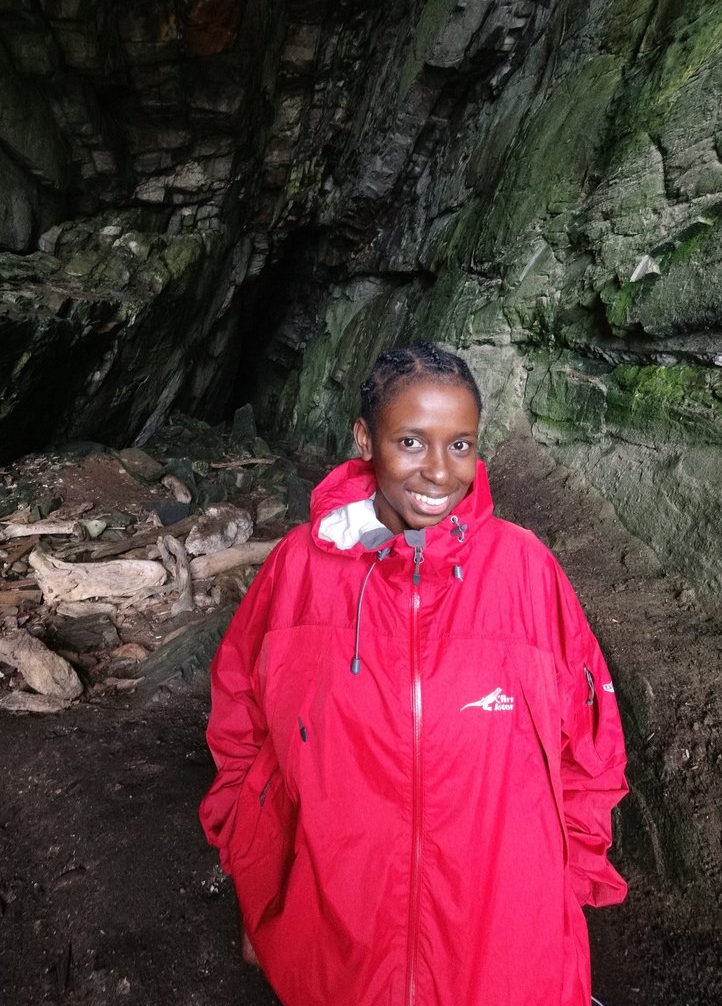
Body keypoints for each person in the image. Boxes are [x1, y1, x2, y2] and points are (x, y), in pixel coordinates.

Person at [199, 341, 628, 1006]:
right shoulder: (299, 570)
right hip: (339, 938)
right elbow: (241, 723)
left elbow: (592, 747)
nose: (439, 471)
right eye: (411, 441)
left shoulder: (526, 571)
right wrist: (257, 875)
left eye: (460, 445)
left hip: (502, 942)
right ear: (365, 439)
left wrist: (562, 886)